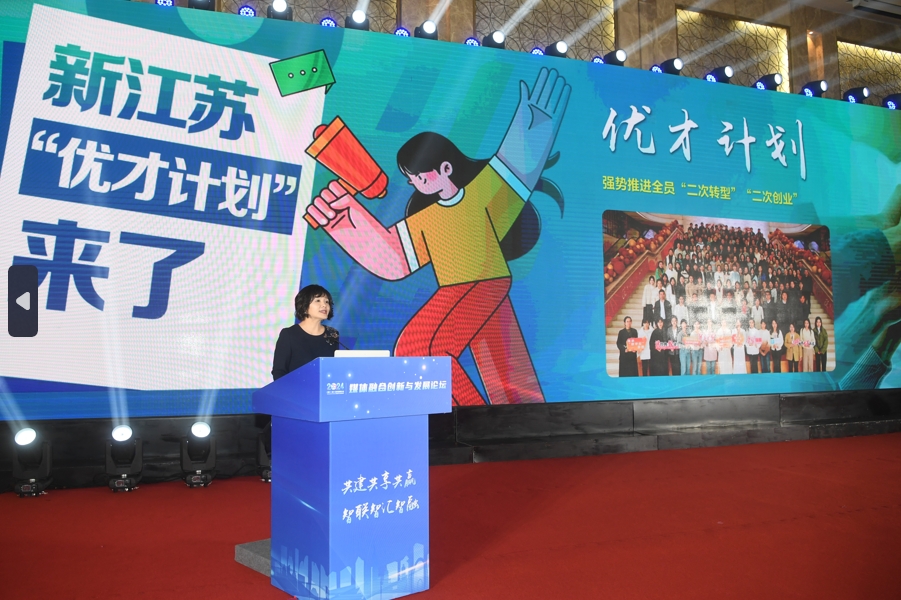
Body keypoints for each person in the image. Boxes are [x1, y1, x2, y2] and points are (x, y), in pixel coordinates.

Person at [305, 68, 570, 406]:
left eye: (419, 176)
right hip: (464, 289)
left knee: (419, 347)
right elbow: (393, 259)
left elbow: (515, 167)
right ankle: (524, 418)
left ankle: (467, 420)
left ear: (446, 168)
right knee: (506, 369)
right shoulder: (426, 218)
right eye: (411, 178)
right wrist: (346, 222)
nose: (414, 183)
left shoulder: (481, 193)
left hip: (482, 282)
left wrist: (532, 128)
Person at [271, 285, 340, 380]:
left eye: (327, 301)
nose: (324, 305)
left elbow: (334, 368)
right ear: (304, 306)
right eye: (318, 300)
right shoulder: (289, 334)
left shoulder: (332, 334)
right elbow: (279, 371)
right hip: (296, 388)